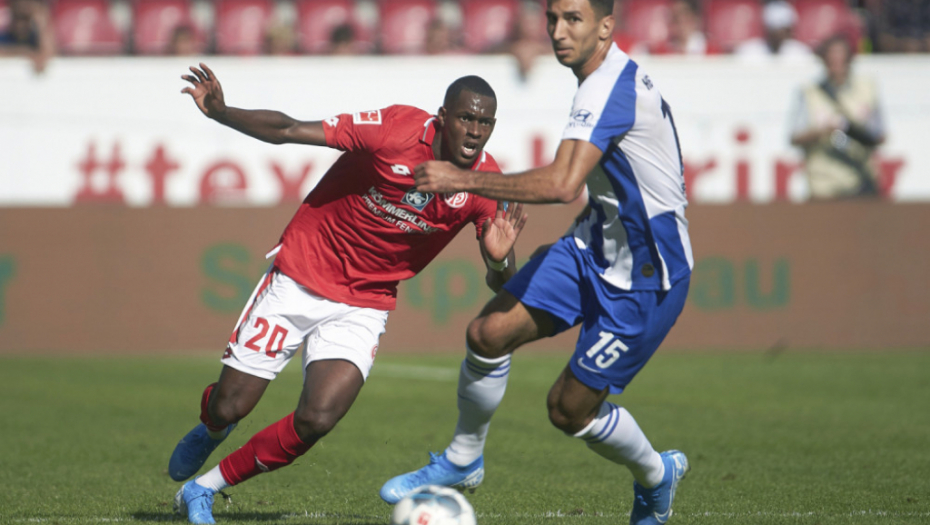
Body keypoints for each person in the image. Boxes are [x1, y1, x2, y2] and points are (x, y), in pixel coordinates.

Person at [168, 63, 528, 524]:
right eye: (466, 118)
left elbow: (502, 282)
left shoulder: (484, 183)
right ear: (442, 117)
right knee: (230, 404)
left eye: (485, 123)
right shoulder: (395, 129)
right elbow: (289, 130)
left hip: (365, 302)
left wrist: (498, 260)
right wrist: (222, 112)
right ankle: (214, 426)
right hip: (301, 274)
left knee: (318, 417)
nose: (475, 131)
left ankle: (203, 489)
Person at [380, 0, 693, 523]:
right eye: (553, 18)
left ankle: (657, 474)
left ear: (606, 26)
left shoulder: (608, 88)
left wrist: (462, 178)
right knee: (487, 334)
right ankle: (462, 459)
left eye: (574, 19)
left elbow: (563, 184)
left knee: (568, 410)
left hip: (645, 276)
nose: (558, 31)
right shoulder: (600, 79)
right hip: (591, 247)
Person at [790, 35, 887, 199]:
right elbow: (794, 136)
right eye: (831, 59)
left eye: (840, 58)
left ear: (849, 60)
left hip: (861, 181)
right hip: (824, 185)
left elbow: (880, 134)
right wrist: (823, 131)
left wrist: (855, 131)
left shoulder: (867, 89)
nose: (836, 64)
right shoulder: (810, 92)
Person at [735, 0, 811, 59]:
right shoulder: (749, 51)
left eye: (788, 29)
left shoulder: (800, 52)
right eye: (783, 29)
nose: (788, 33)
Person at [0, 0, 55, 73]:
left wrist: (41, 23)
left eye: (25, 19)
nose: (21, 24)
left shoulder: (35, 39)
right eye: (18, 17)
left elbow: (48, 55)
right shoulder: (4, 36)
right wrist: (27, 53)